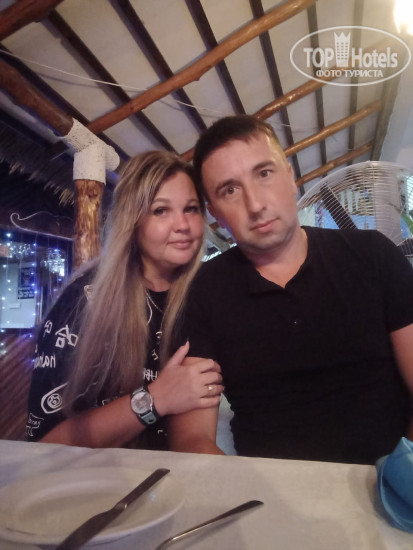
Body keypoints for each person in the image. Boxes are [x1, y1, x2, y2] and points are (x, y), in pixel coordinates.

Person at [168, 115, 413, 464]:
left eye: (264, 173)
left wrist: (400, 477)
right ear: (215, 215)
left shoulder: (373, 255)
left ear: (290, 177)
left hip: (389, 475)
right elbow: (193, 438)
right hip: (267, 488)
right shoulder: (202, 292)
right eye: (230, 190)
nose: (255, 204)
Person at [25, 150, 223, 449]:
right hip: (92, 476)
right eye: (161, 210)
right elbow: (45, 443)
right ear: (133, 220)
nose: (182, 224)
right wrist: (156, 398)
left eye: (191, 209)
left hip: (172, 475)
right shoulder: (85, 298)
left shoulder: (203, 296)